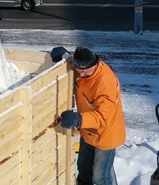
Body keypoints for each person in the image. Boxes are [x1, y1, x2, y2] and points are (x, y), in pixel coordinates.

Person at [50, 45, 126, 185]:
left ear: (95, 64)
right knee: (84, 172)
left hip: (105, 135)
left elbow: (103, 117)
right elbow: (73, 65)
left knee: (100, 177)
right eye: (79, 72)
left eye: (85, 72)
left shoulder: (104, 82)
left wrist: (78, 119)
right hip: (88, 131)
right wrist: (63, 57)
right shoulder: (83, 68)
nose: (81, 75)